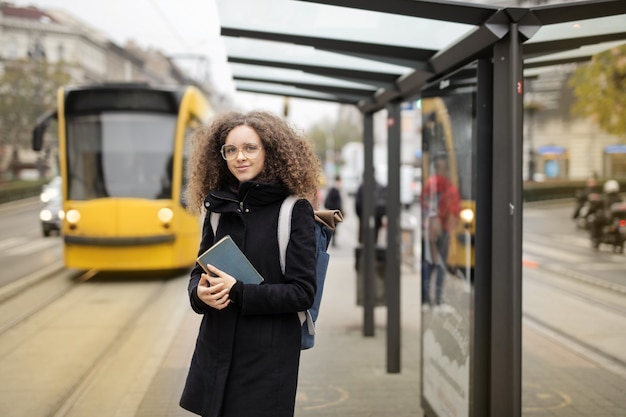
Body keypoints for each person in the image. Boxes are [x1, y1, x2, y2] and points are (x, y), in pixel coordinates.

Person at [180, 111, 321, 417]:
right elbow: (198, 273)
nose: (239, 157)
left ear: (269, 151)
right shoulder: (217, 209)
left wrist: (239, 292)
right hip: (215, 351)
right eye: (230, 150)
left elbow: (301, 293)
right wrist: (199, 294)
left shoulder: (293, 211)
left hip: (267, 360)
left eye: (250, 148)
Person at [421, 154, 460, 310]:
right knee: (441, 265)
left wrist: (428, 227)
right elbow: (454, 210)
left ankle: (426, 300)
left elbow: (425, 208)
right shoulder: (450, 187)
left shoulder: (429, 185)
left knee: (429, 264)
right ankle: (437, 301)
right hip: (442, 231)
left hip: (430, 231)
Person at [354, 173, 386, 244]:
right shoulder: (379, 186)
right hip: (377, 217)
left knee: (363, 238)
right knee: (374, 238)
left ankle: (364, 252)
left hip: (364, 216)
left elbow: (357, 203)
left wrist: (360, 215)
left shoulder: (362, 186)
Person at [324, 175, 343, 246]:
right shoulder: (334, 190)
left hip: (333, 211)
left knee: (333, 228)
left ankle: (333, 242)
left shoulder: (333, 189)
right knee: (333, 228)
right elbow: (336, 202)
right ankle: (332, 242)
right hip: (334, 212)